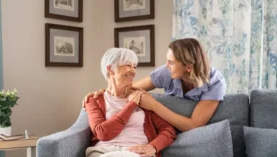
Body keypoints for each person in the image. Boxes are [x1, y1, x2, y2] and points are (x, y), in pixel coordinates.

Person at [84, 38, 226, 132]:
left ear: (188, 67)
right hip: (165, 128)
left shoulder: (215, 82)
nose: (166, 65)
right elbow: (128, 89)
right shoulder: (166, 72)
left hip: (191, 132)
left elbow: (194, 125)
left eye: (171, 62)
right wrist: (105, 92)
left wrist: (153, 105)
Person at [84, 48, 176, 157]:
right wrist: (131, 106)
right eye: (128, 65)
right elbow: (102, 133)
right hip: (101, 152)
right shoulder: (94, 99)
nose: (133, 71)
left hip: (136, 154)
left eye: (135, 66)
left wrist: (152, 147)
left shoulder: (143, 99)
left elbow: (168, 131)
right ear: (110, 69)